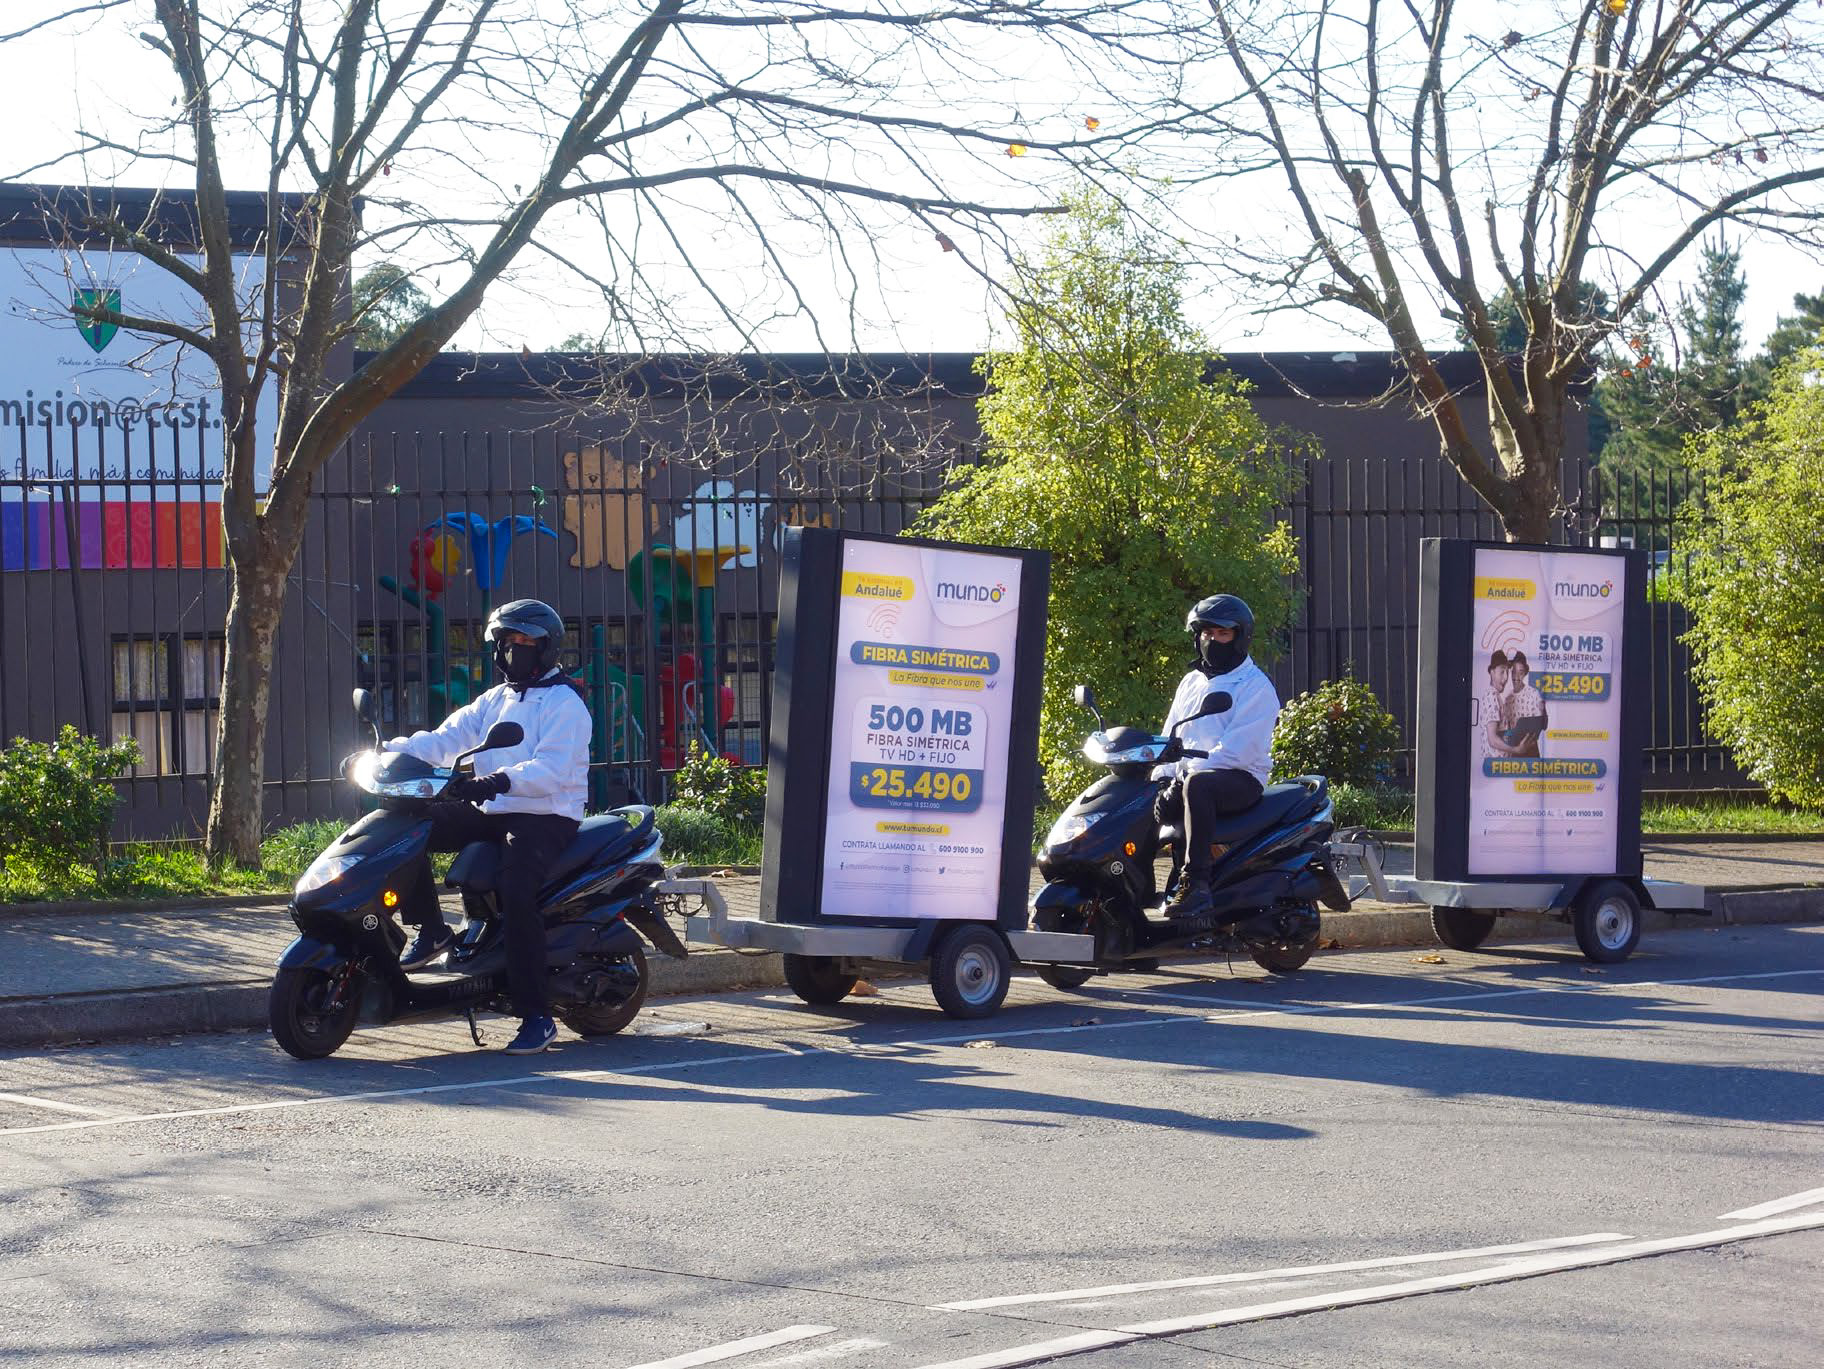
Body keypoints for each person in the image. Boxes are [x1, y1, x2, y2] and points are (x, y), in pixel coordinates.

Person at [385, 598, 591, 1055]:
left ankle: (536, 1016)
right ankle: (432, 930)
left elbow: (552, 769)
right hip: (492, 807)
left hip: (545, 814)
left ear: (546, 646)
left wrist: (497, 780)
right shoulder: (494, 700)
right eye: (505, 640)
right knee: (408, 829)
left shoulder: (565, 703)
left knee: (516, 890)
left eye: (522, 640)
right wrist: (389, 753)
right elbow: (444, 739)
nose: (512, 648)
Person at [1152, 594, 1281, 921]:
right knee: (1142, 792)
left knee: (1198, 785)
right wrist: (1162, 778)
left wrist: (1182, 781)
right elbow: (1170, 736)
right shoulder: (1191, 682)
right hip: (1189, 778)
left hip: (1240, 778)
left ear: (1240, 637)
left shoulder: (1255, 687)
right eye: (1207, 633)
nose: (1212, 640)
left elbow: (1235, 752)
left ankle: (1196, 885)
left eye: (1222, 633)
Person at [1503, 651, 1548, 758]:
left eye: (1520, 672)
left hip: (1531, 750)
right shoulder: (1507, 699)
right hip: (1514, 751)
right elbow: (1507, 730)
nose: (1516, 676)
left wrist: (1544, 711)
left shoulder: (1533, 694)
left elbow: (1544, 726)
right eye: (1514, 672)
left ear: (1525, 674)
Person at [1481, 649, 1519, 758]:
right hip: (1494, 764)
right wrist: (1516, 749)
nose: (1506, 677)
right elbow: (1492, 740)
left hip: (1500, 764)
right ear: (1492, 672)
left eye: (1507, 672)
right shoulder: (1491, 696)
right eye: (1502, 672)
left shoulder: (1496, 697)